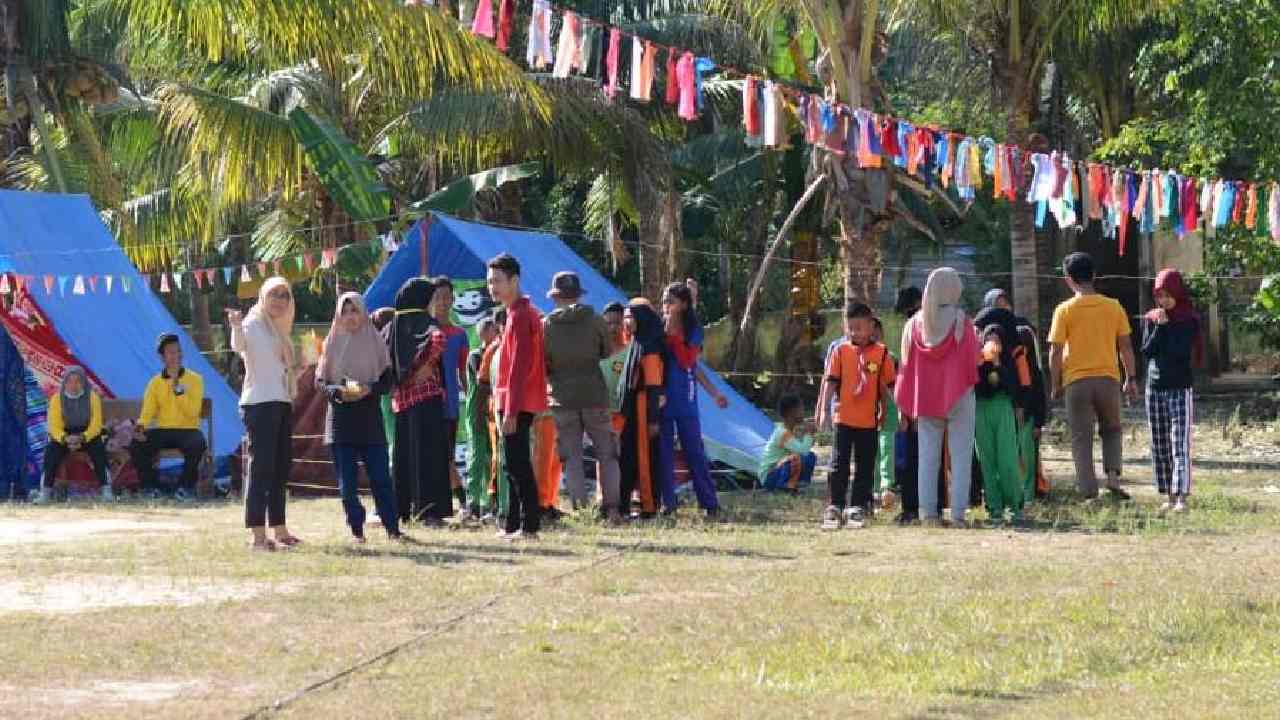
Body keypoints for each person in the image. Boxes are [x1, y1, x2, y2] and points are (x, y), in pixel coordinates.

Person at [1047, 252, 1136, 502]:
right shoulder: (1113, 306)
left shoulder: (1064, 310)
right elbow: (1126, 346)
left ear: (1068, 279)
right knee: (1112, 429)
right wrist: (1131, 377)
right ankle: (1113, 479)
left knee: (1081, 436)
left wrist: (1055, 383)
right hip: (1108, 379)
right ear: (1094, 275)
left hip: (1076, 382)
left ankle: (1088, 491)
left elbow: (1055, 351)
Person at [895, 268, 980, 527]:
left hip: (926, 398)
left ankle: (928, 514)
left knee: (927, 457)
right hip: (960, 397)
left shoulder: (913, 324)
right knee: (961, 456)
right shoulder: (961, 321)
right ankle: (957, 516)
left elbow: (906, 366)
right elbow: (974, 358)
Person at [317, 292, 402, 543]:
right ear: (338, 315)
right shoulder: (331, 342)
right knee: (348, 485)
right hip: (341, 422)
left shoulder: (374, 340)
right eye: (346, 311)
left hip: (370, 420)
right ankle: (357, 529)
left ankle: (392, 528)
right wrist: (339, 392)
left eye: (355, 310)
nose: (351, 316)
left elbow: (388, 379)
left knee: (381, 478)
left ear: (363, 313)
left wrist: (370, 389)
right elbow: (321, 382)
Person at [543, 271, 622, 523]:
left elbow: (545, 362)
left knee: (572, 457)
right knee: (607, 453)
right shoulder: (596, 320)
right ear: (578, 294)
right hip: (594, 394)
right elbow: (607, 352)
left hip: (562, 398)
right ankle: (610, 508)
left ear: (556, 297)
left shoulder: (546, 325)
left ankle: (581, 510)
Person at [228, 278, 301, 551]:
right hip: (259, 404)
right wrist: (235, 325)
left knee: (281, 468)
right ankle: (258, 536)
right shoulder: (252, 322)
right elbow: (239, 346)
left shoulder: (281, 330)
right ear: (262, 297)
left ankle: (280, 530)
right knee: (261, 469)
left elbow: (279, 369)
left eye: (285, 295)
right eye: (274, 294)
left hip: (281, 402)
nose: (280, 300)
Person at [816, 302, 896, 530]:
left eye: (859, 327)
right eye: (850, 328)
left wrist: (900, 410)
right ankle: (835, 507)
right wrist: (823, 410)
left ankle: (857, 508)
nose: (855, 333)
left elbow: (889, 386)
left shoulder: (881, 354)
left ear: (871, 327)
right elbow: (830, 382)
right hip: (843, 418)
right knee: (838, 464)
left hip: (868, 421)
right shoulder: (840, 351)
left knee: (865, 466)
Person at [488, 253, 547, 540]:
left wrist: (511, 410)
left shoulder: (523, 315)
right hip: (511, 400)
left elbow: (519, 367)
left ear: (515, 280)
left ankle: (530, 525)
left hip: (517, 402)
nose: (493, 287)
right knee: (511, 463)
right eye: (489, 282)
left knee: (517, 463)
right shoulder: (514, 313)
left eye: (498, 281)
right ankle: (511, 524)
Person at [658, 281, 729, 519]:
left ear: (683, 304)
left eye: (671, 301)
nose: (666, 305)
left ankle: (709, 503)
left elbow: (690, 363)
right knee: (664, 452)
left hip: (685, 398)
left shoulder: (693, 330)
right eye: (664, 301)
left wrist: (714, 393)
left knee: (694, 451)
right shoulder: (659, 328)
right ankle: (667, 503)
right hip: (662, 399)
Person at [386, 277, 450, 526]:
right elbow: (438, 340)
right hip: (426, 399)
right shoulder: (426, 323)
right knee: (429, 456)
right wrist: (423, 366)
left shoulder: (393, 326)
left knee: (404, 458)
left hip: (401, 403)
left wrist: (404, 378)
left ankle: (403, 509)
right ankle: (429, 512)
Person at [1141, 268, 1200, 514]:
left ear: (1177, 293)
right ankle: (1168, 494)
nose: (1163, 301)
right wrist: (1159, 327)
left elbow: (1179, 352)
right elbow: (1147, 350)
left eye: (1168, 295)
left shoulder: (1189, 320)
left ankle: (1182, 498)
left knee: (1180, 443)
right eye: (1159, 296)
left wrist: (1166, 327)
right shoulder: (1152, 318)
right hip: (1154, 388)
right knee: (1160, 444)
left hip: (1179, 387)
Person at [982, 288, 1049, 501]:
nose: (1004, 310)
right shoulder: (981, 339)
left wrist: (1037, 417)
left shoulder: (1022, 334)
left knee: (1025, 457)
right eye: (998, 306)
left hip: (1023, 410)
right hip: (994, 409)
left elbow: (1034, 379)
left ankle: (1027, 497)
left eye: (1006, 305)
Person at [129, 333, 207, 501]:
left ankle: (185, 488)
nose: (176, 356)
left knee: (198, 443)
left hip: (188, 430)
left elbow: (193, 412)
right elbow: (148, 411)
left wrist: (178, 389)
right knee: (137, 444)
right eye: (171, 352)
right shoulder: (155, 382)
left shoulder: (196, 380)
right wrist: (140, 427)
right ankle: (150, 488)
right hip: (164, 430)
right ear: (162, 357)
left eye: (178, 351)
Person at [974, 323, 1030, 526]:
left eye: (997, 341)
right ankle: (994, 507)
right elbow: (974, 386)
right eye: (990, 340)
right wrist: (981, 364)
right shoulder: (977, 360)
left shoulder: (1007, 361)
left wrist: (997, 363)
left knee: (1007, 459)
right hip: (981, 410)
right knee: (986, 460)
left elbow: (1014, 388)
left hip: (1003, 408)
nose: (993, 344)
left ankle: (1015, 505)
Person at [618, 300, 664, 519]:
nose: (627, 322)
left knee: (645, 457)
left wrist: (653, 419)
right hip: (633, 408)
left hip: (645, 407)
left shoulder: (650, 347)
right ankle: (626, 504)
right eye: (625, 317)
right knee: (628, 455)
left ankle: (649, 506)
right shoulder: (636, 343)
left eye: (631, 317)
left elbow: (654, 385)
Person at [430, 276, 470, 516]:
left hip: (450, 406)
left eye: (447, 297)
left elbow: (463, 372)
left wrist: (475, 398)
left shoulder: (459, 334)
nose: (443, 301)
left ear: (453, 299)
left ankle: (463, 503)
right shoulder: (425, 330)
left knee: (447, 456)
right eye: (438, 297)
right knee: (431, 456)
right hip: (425, 402)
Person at [41, 367, 110, 501]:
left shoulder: (92, 397)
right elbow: (54, 425)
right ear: (64, 383)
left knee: (98, 449)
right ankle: (45, 493)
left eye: (77, 381)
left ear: (83, 382)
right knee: (51, 451)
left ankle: (106, 490)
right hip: (65, 435)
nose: (73, 385)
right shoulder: (57, 398)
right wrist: (65, 438)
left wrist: (82, 438)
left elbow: (96, 425)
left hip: (87, 434)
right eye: (69, 381)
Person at [463, 317, 499, 522]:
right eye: (493, 330)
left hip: (493, 410)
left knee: (491, 457)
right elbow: (482, 382)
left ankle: (489, 500)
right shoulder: (476, 355)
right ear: (483, 334)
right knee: (477, 456)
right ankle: (472, 501)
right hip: (477, 408)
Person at [759, 394, 817, 492]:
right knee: (801, 457)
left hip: (778, 470)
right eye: (801, 409)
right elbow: (803, 451)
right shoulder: (782, 432)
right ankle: (783, 486)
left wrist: (806, 434)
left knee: (810, 456)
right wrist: (809, 434)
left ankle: (798, 484)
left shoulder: (790, 430)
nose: (804, 412)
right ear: (792, 412)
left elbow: (803, 448)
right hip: (769, 477)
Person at [871, 316, 898, 509]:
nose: (874, 336)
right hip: (868, 414)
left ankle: (886, 487)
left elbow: (898, 386)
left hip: (889, 413)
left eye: (877, 333)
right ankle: (872, 489)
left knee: (886, 449)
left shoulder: (891, 357)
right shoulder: (861, 357)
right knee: (871, 451)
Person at [600, 301, 630, 435]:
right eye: (608, 323)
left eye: (617, 323)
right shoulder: (594, 351)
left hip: (621, 417)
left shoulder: (630, 353)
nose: (613, 328)